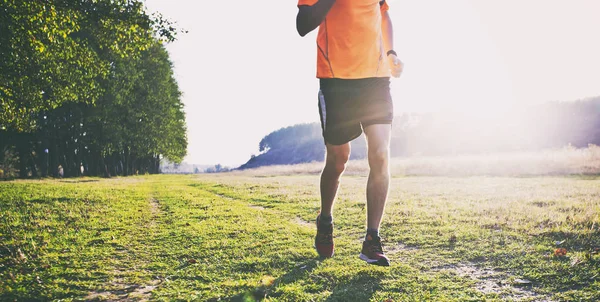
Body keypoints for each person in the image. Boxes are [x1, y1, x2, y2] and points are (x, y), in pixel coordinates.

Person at [296, 0, 403, 266]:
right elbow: (302, 25)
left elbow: (383, 13)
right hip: (336, 80)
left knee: (380, 154)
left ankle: (372, 240)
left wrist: (390, 52)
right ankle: (325, 219)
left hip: (376, 80)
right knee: (338, 160)